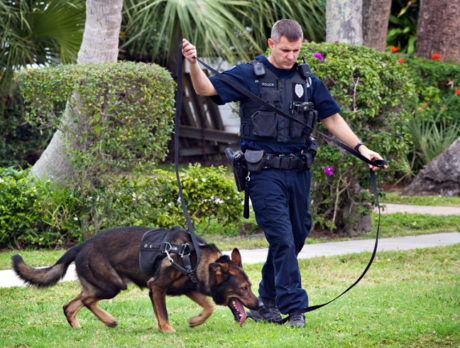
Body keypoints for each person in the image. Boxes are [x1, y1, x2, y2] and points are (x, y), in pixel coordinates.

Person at [182, 19, 386, 328]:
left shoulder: (308, 80)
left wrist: (362, 149)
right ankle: (294, 309)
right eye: (285, 50)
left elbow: (332, 120)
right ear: (271, 44)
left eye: (296, 50)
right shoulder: (250, 75)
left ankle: (267, 300)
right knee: (282, 238)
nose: (291, 56)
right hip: (263, 173)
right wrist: (194, 63)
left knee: (297, 235)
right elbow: (205, 88)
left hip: (298, 171)